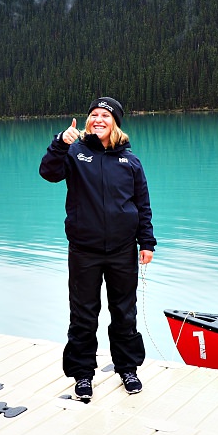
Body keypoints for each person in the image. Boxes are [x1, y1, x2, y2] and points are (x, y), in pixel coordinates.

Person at [40, 96, 156, 402]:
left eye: (105, 115)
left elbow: (142, 205)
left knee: (124, 313)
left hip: (122, 250)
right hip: (84, 250)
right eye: (94, 115)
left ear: (115, 122)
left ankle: (127, 368)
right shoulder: (75, 152)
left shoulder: (130, 162)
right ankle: (82, 375)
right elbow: (48, 172)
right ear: (88, 122)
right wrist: (60, 142)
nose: (98, 119)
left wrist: (147, 242)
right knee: (83, 315)